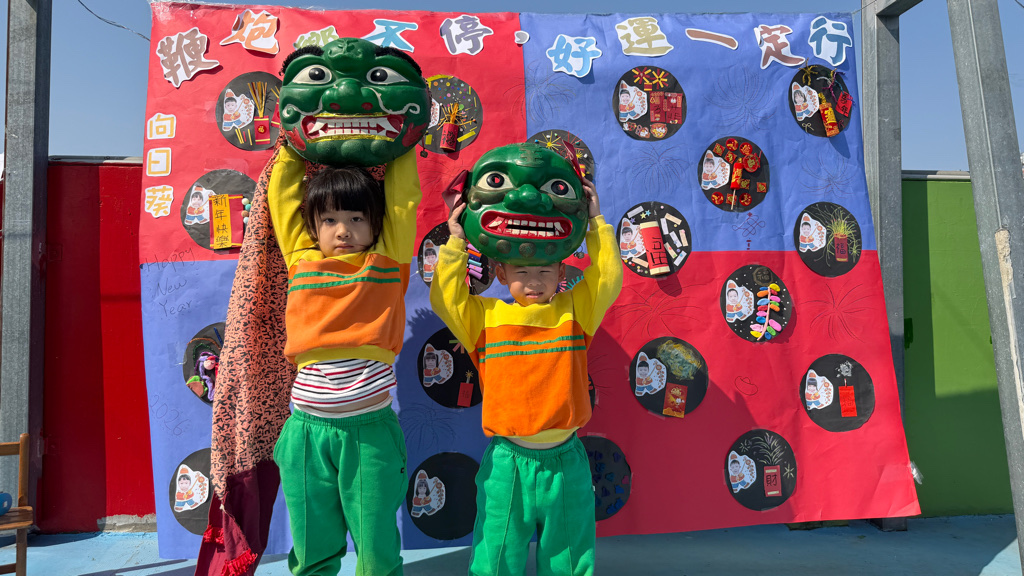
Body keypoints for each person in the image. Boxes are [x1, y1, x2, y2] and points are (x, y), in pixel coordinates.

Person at [430, 178, 622, 576]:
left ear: (561, 270)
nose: (534, 281)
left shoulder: (575, 312)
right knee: (495, 557)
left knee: (569, 559)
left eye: (544, 270)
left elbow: (606, 278)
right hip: (508, 463)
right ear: (501, 273)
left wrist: (596, 223)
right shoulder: (486, 318)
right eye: (522, 270)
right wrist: (456, 241)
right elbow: (447, 298)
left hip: (566, 460)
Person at [268, 143, 419, 576]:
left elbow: (403, 200)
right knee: (312, 541)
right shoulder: (301, 260)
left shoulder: (387, 260)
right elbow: (282, 199)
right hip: (306, 434)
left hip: (369, 433)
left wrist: (402, 142)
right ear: (313, 227)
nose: (343, 230)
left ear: (375, 223)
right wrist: (290, 146)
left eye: (356, 218)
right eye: (330, 220)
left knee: (375, 544)